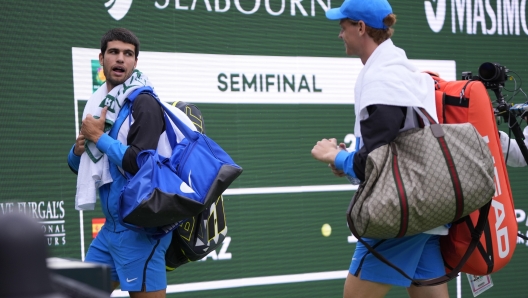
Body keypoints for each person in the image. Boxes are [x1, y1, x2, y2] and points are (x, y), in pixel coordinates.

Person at [310, 0, 450, 297]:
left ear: (361, 28)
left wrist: (336, 155)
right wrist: (347, 163)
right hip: (427, 210)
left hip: (400, 215)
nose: (340, 34)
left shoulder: (381, 77)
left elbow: (376, 163)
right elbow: (388, 152)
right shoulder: (398, 68)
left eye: (343, 26)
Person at [67, 28, 182, 297]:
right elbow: (80, 166)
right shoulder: (97, 104)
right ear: (101, 58)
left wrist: (98, 137)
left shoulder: (144, 103)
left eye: (128, 54)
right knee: (81, 293)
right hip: (110, 231)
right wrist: (76, 150)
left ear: (135, 62)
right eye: (114, 52)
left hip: (141, 230)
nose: (120, 59)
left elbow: (141, 162)